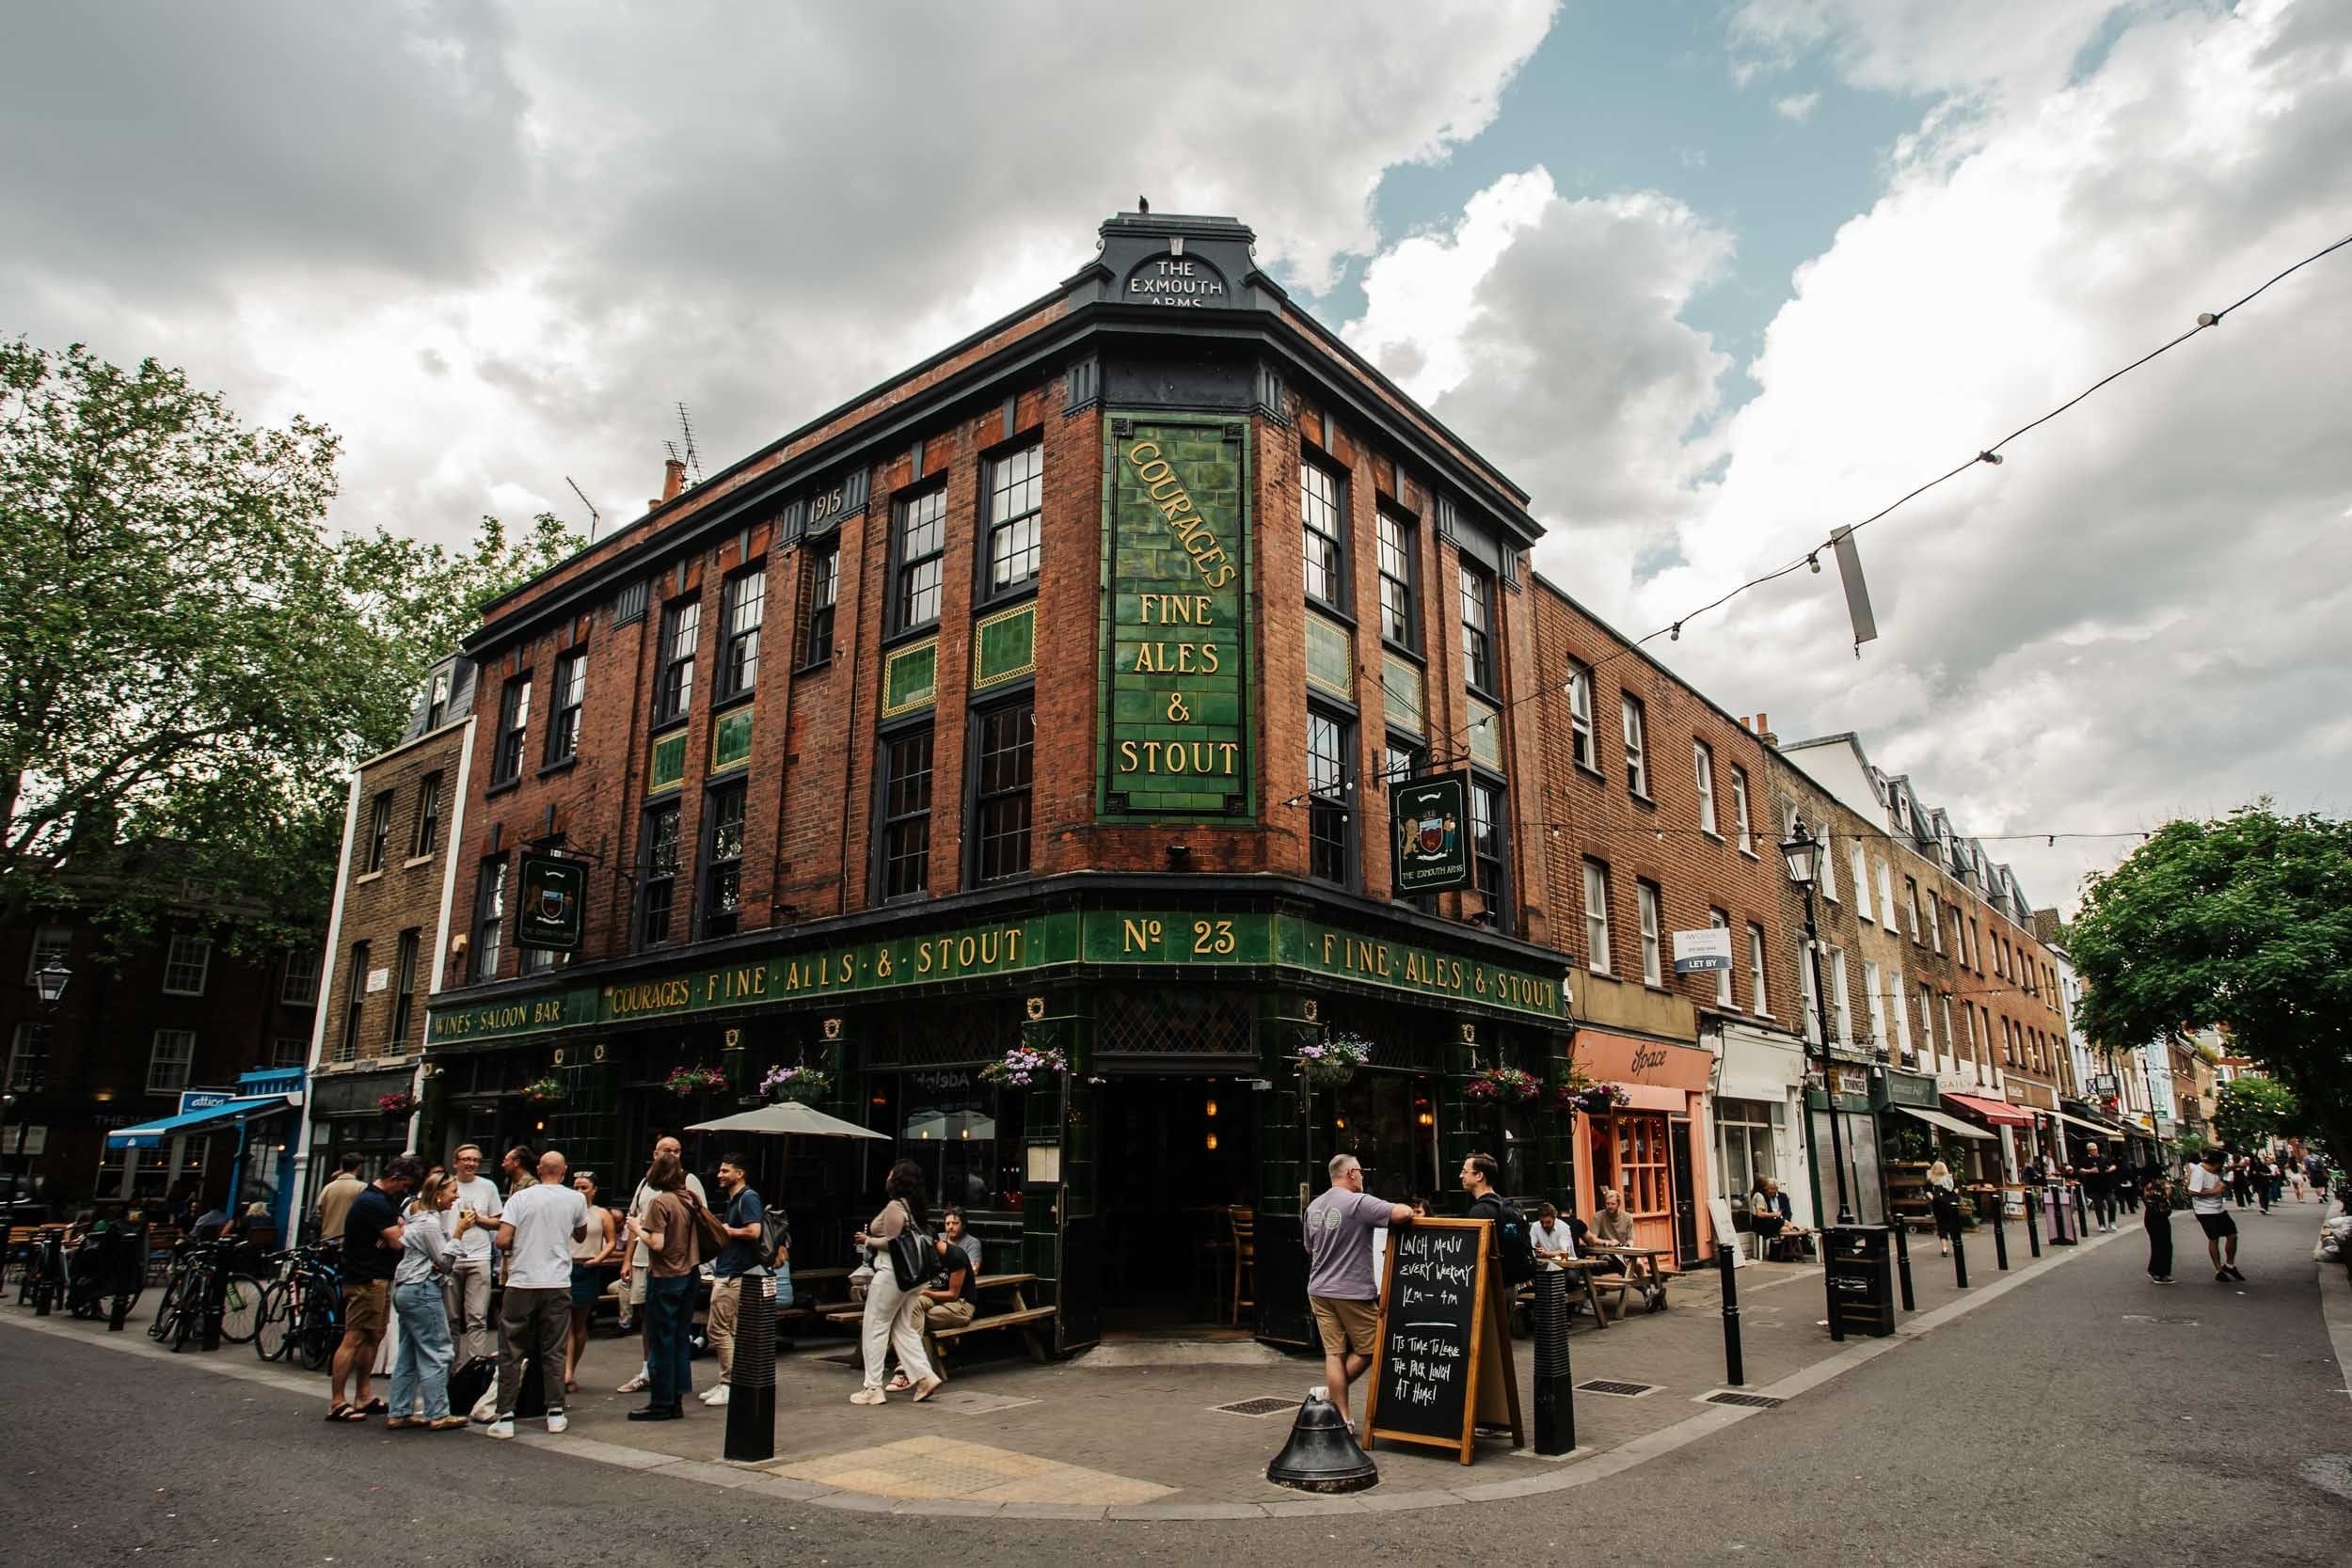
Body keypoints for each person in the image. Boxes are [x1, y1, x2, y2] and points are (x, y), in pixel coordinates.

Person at [1305, 1153, 1414, 1433]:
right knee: (1375, 1346)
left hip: (1318, 1289)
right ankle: (1334, 1398)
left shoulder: (1314, 1206)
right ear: (1352, 1173)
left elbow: (1309, 1248)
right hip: (1350, 1290)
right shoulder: (1357, 1203)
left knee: (1334, 1354)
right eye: (1362, 1172)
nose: (1363, 1177)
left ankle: (1342, 1418)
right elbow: (1403, 1213)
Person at [487, 1150, 587, 1439]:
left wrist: (523, 1242)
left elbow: (503, 1239)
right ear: (564, 1170)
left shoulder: (520, 1198)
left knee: (511, 1348)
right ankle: (555, 1412)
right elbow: (580, 1234)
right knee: (554, 1348)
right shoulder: (576, 1199)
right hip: (556, 1281)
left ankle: (505, 1415)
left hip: (522, 1279)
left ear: (539, 1169)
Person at [328, 1154, 418, 1423]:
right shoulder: (373, 1202)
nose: (406, 1191)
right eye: (405, 1185)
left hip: (378, 1277)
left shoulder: (381, 1201)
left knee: (374, 1335)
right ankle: (336, 1401)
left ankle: (363, 1395)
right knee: (353, 1336)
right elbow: (397, 1241)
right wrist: (401, 1230)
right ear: (395, 1179)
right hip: (365, 1278)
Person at [615, 1135, 707, 1394]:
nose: (673, 1154)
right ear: (655, 1154)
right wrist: (628, 1259)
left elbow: (697, 1221)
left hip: (674, 1264)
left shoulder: (687, 1182)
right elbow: (634, 1219)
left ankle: (666, 1384)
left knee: (669, 1324)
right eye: (668, 1150)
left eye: (678, 1150)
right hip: (645, 1261)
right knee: (647, 1315)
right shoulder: (646, 1184)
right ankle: (649, 1370)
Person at [851, 1159, 941, 1406]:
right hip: (914, 1278)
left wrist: (868, 1240)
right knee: (902, 1327)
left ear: (898, 1179)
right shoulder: (915, 1207)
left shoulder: (894, 1206)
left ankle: (872, 1387)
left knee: (874, 1326)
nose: (887, 1175)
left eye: (891, 1172)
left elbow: (892, 1243)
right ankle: (924, 1376)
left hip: (892, 1274)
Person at [388, 1172, 471, 1431]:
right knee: (438, 1349)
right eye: (452, 1192)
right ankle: (438, 1412)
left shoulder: (417, 1219)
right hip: (422, 1289)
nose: (456, 1197)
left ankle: (399, 1411)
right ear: (437, 1194)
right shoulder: (430, 1224)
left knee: (409, 1352)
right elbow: (444, 1263)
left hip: (405, 1287)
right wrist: (459, 1233)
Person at [701, 1153, 764, 1409]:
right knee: (731, 1330)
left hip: (735, 1273)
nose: (720, 1174)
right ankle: (732, 1381)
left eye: (726, 1171)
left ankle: (729, 1383)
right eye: (720, 1170)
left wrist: (726, 1230)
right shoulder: (735, 1199)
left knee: (716, 1329)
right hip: (731, 1270)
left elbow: (754, 1231)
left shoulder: (748, 1198)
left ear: (740, 1173)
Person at [442, 1143, 502, 1367]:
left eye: (476, 1160)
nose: (471, 1164)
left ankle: (475, 1366)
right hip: (452, 1257)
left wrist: (479, 1220)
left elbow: (499, 1221)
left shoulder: (488, 1187)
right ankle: (451, 1366)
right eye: (466, 1159)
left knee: (477, 1316)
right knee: (451, 1318)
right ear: (455, 1162)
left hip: (479, 1257)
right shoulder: (446, 1185)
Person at [565, 1170, 620, 1394]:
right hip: (566, 1266)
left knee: (579, 1323)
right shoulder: (566, 1210)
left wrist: (598, 1258)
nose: (579, 1191)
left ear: (594, 1190)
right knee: (565, 1322)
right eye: (576, 1187)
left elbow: (611, 1241)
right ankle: (566, 1373)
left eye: (584, 1187)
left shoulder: (601, 1214)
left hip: (588, 1267)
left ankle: (572, 1369)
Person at [2186, 1148, 2243, 1282]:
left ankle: (2229, 1265)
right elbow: (2192, 1192)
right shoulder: (2199, 1172)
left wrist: (2237, 1165)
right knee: (2214, 1239)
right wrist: (2215, 1191)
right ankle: (2218, 1270)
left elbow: (2226, 1169)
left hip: (2219, 1209)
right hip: (2205, 1211)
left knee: (2232, 1235)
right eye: (2220, 1164)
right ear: (2214, 1163)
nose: (2221, 1168)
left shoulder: (2217, 1170)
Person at [312, 1153, 366, 1248]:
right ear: (359, 1167)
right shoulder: (362, 1188)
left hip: (327, 1242)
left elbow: (317, 1214)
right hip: (350, 1242)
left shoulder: (328, 1188)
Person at [2141, 1170, 2175, 1285]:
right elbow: (2166, 1200)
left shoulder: (2147, 1186)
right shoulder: (2160, 1187)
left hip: (2150, 1217)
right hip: (2160, 1217)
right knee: (2165, 1245)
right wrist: (2167, 1189)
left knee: (2156, 1244)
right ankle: (2161, 1273)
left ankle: (2155, 1270)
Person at [1927, 1161, 1963, 1257]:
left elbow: (1928, 1193)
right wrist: (1953, 1197)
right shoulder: (1949, 1179)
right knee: (1953, 1224)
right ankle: (1957, 1244)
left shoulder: (1931, 1180)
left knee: (1941, 1225)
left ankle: (1944, 1248)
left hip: (1938, 1205)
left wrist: (1935, 1199)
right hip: (1951, 1204)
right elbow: (1956, 1189)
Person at [2080, 1143, 2117, 1233]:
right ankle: (2101, 1224)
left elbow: (2113, 1165)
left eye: (2095, 1149)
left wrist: (2110, 1169)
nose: (2094, 1151)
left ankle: (2112, 1221)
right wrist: (2090, 1171)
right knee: (2098, 1206)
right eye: (2092, 1150)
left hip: (2106, 1186)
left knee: (2112, 1202)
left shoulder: (2103, 1157)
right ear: (2089, 1151)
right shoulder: (2086, 1160)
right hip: (2094, 1187)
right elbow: (2081, 1170)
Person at [1530, 1200, 1576, 1265]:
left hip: (1567, 1265)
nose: (1544, 1225)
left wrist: (1546, 1253)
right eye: (1542, 1222)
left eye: (1548, 1222)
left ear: (1554, 1218)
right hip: (1545, 1264)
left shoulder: (1563, 1227)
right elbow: (1530, 1247)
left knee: (1571, 1275)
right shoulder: (1535, 1226)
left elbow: (1564, 1253)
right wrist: (1536, 1251)